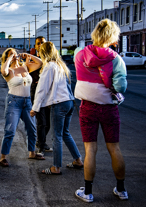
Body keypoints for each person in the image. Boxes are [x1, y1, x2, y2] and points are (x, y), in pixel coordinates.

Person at [74, 19, 128, 203]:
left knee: (90, 150)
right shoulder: (116, 59)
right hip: (109, 108)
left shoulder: (79, 55)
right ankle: (121, 190)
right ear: (113, 36)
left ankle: (87, 192)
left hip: (87, 106)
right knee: (114, 148)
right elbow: (120, 86)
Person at [30, 42, 83, 175]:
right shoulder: (61, 65)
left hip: (59, 104)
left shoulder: (49, 67)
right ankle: (77, 160)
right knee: (65, 133)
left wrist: (35, 107)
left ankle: (56, 167)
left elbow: (41, 89)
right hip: (69, 102)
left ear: (43, 53)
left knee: (57, 136)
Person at [0, 48, 45, 167]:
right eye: (11, 54)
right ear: (7, 57)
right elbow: (3, 70)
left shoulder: (25, 67)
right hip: (13, 102)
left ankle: (32, 153)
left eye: (16, 53)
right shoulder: (8, 70)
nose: (15, 55)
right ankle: (3, 157)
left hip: (27, 102)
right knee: (10, 130)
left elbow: (40, 63)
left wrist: (28, 55)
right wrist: (10, 58)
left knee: (32, 128)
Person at [30, 36, 52, 154]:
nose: (40, 45)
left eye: (42, 43)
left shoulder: (49, 61)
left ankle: (41, 142)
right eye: (38, 43)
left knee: (47, 124)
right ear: (35, 46)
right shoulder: (34, 60)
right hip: (36, 92)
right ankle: (41, 147)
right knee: (41, 122)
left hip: (48, 93)